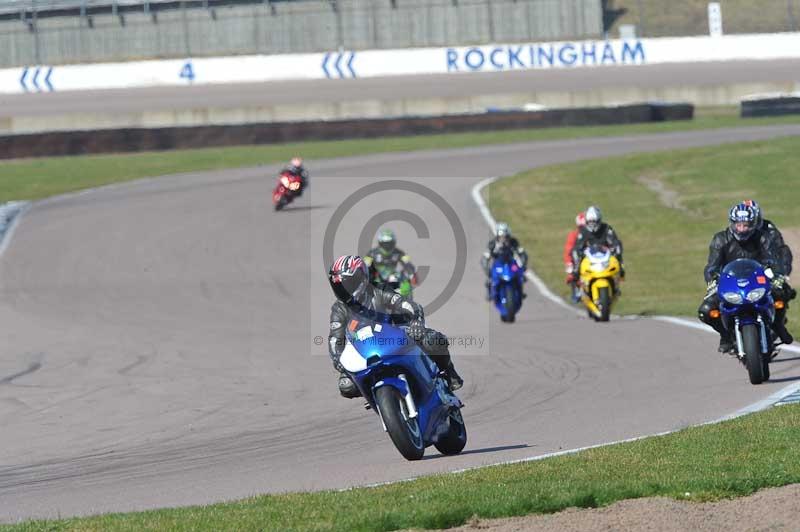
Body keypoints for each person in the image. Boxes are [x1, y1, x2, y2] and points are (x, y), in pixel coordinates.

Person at [327, 255, 463, 398]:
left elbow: (408, 305)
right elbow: (335, 338)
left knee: (432, 340)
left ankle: (449, 372)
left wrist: (416, 321)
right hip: (365, 347)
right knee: (346, 385)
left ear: (361, 277)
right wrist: (337, 359)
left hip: (395, 334)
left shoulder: (379, 291)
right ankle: (376, 397)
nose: (343, 289)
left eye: (348, 284)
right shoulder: (339, 309)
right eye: (339, 286)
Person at [698, 202, 794, 354]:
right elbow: (711, 266)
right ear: (732, 223)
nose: (742, 229)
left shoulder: (763, 237)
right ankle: (726, 336)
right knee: (706, 311)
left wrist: (777, 275)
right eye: (738, 225)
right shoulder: (720, 239)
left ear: (754, 224)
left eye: (746, 225)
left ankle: (778, 325)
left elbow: (773, 259)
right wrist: (712, 280)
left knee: (781, 296)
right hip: (731, 284)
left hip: (757, 281)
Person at [570, 206, 624, 283]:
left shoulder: (606, 228)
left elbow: (614, 241)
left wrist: (614, 248)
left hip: (606, 257)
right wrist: (580, 253)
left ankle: (620, 268)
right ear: (586, 221)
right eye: (590, 222)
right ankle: (577, 272)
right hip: (589, 259)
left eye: (594, 222)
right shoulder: (583, 231)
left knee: (618, 248)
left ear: (599, 220)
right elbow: (577, 247)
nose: (592, 224)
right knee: (574, 252)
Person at [481, 222, 528, 301]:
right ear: (497, 236)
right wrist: (486, 268)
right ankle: (489, 293)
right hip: (498, 265)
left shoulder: (513, 243)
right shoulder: (492, 244)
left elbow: (522, 253)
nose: (503, 239)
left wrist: (522, 264)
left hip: (511, 264)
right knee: (490, 279)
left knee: (521, 276)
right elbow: (485, 257)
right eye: (501, 237)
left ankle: (520, 291)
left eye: (505, 237)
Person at [363, 228, 417, 293]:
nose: (387, 246)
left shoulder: (398, 252)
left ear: (393, 243)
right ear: (380, 243)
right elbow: (364, 266)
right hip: (376, 278)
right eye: (385, 244)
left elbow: (408, 264)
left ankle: (404, 298)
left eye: (389, 244)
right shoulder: (372, 253)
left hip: (392, 277)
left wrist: (412, 275)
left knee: (405, 283)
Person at [564, 212, 586, 303]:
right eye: (581, 227)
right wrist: (569, 264)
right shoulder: (573, 235)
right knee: (572, 273)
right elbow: (568, 251)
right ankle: (575, 291)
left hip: (592, 259)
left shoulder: (594, 235)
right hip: (578, 260)